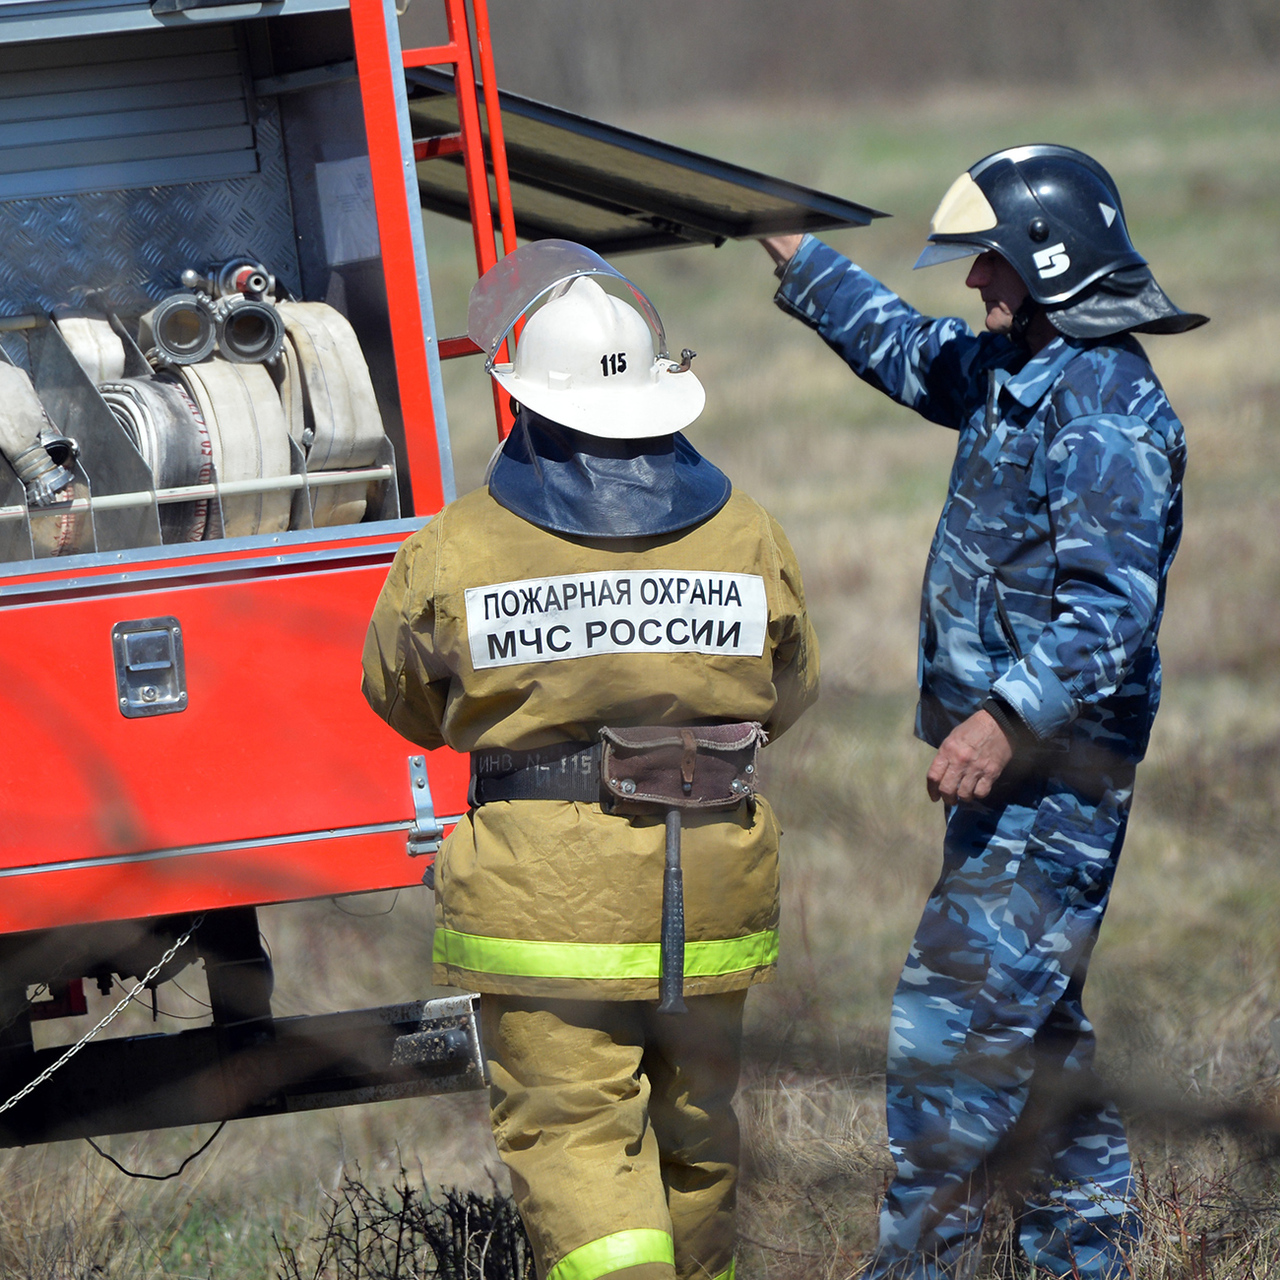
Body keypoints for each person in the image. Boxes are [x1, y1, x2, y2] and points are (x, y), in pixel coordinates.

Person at [760, 144, 1205, 1280]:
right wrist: (799, 257)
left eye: (992, 264)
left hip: (1055, 779)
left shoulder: (1104, 405)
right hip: (1010, 781)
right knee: (1033, 1029)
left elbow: (1109, 618)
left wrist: (1000, 721)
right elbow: (909, 354)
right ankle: (1084, 1256)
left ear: (1049, 265)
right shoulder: (1022, 365)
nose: (975, 286)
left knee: (950, 1033)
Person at [363, 241, 818, 1280]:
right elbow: (788, 689)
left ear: (528, 403)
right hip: (711, 886)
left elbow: (400, 698)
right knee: (698, 1139)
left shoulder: (457, 545)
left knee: (575, 1141)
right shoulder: (746, 529)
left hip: (544, 903)